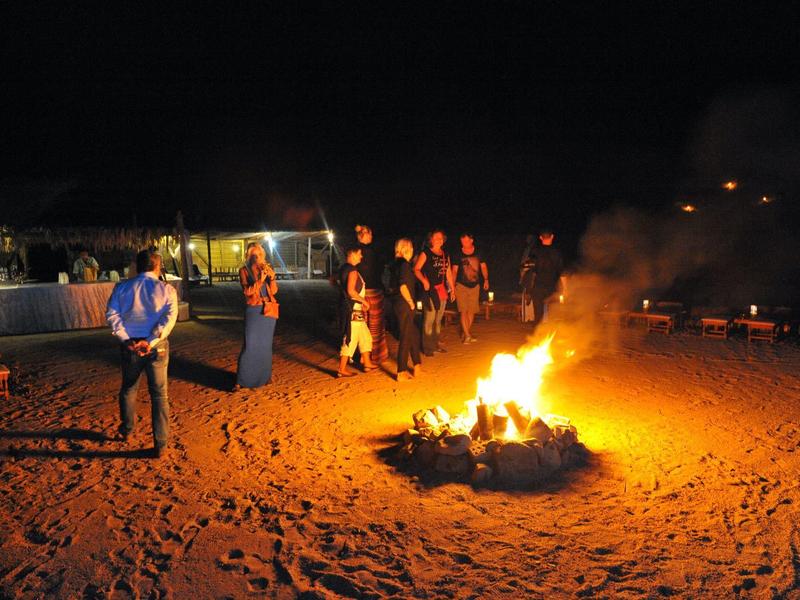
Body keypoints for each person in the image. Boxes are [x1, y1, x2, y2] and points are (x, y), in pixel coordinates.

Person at [106, 249, 178, 458]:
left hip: (130, 346)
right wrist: (150, 340)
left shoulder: (122, 287)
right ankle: (161, 444)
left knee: (129, 388)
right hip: (156, 347)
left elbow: (112, 314)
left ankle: (127, 430)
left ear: (137, 266)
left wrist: (126, 339)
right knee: (159, 394)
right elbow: (170, 318)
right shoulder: (167, 290)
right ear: (158, 266)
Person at [235, 242, 279, 389]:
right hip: (254, 310)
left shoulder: (266, 268)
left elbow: (274, 291)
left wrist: (271, 278)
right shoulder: (244, 270)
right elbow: (247, 291)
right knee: (250, 344)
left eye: (259, 255)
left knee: (265, 346)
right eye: (253, 255)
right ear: (248, 256)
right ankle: (241, 380)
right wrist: (260, 280)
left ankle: (265, 377)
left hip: (268, 309)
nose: (257, 257)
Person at [413, 229, 456, 356]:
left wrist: (452, 289)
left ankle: (435, 344)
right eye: (436, 237)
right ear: (431, 239)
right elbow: (416, 269)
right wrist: (424, 281)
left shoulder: (445, 254)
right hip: (430, 291)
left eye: (441, 238)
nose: (439, 240)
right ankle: (427, 348)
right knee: (429, 319)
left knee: (438, 320)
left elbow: (448, 272)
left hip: (441, 289)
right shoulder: (426, 253)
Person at [338, 245, 378, 377]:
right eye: (359, 254)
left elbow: (337, 283)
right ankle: (342, 369)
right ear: (353, 254)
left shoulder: (343, 268)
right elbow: (351, 291)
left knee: (365, 336)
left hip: (350, 307)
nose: (361, 256)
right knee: (351, 338)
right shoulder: (353, 271)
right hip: (353, 308)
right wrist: (364, 301)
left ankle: (367, 363)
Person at [389, 238, 422, 381]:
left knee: (413, 333)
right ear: (405, 249)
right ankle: (401, 371)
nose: (413, 251)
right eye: (411, 248)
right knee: (406, 336)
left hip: (398, 302)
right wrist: (410, 302)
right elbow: (403, 286)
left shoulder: (396, 264)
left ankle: (417, 366)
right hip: (404, 303)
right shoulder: (404, 265)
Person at [355, 224, 389, 365]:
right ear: (364, 235)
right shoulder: (372, 253)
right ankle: (374, 356)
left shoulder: (355, 252)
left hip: (360, 294)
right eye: (370, 234)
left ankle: (363, 357)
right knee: (374, 327)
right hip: (372, 292)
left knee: (362, 326)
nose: (372, 237)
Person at [525, 229, 567, 331]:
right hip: (552, 288)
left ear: (540, 238)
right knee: (552, 315)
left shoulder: (534, 251)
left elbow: (529, 270)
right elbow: (562, 273)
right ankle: (550, 338)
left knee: (538, 315)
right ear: (552, 236)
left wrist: (528, 289)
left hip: (538, 287)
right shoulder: (557, 252)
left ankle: (537, 338)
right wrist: (565, 289)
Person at [451, 232, 489, 343]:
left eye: (466, 241)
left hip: (475, 285)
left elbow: (483, 266)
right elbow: (454, 270)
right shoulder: (458, 253)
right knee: (463, 310)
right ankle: (467, 335)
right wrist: (452, 286)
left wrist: (486, 280)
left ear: (471, 240)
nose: (464, 243)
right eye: (462, 241)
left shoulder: (479, 252)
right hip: (461, 285)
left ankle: (466, 332)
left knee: (471, 311)